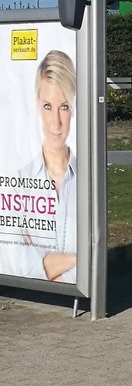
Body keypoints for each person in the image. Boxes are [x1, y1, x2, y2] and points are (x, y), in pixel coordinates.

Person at [0, 50, 77, 283]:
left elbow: (93, 263)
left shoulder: (88, 182)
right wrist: (77, 257)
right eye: (47, 106)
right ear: (36, 104)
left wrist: (43, 263)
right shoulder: (18, 182)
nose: (56, 122)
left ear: (74, 107)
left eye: (64, 107)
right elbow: (17, 262)